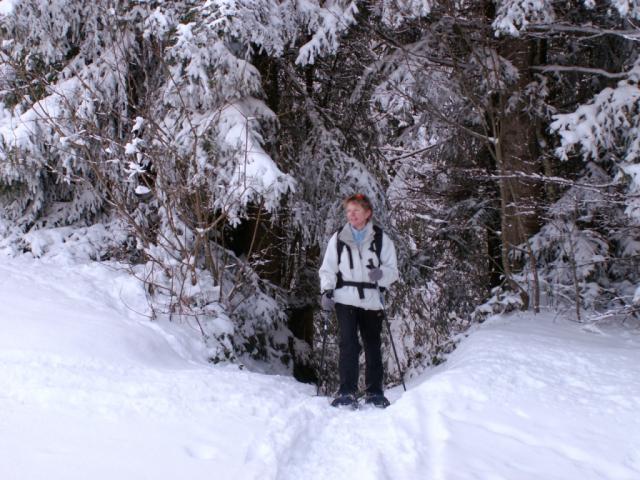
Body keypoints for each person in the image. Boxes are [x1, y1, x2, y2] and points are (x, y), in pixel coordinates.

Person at [319, 193, 399, 408]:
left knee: (372, 344)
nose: (351, 215)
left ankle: (374, 392)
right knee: (348, 344)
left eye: (356, 211)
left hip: (372, 299)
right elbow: (328, 268)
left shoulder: (381, 239)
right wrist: (327, 291)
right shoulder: (338, 238)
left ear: (367, 213)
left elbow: (393, 271)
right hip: (345, 297)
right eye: (348, 211)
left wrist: (378, 275)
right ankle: (346, 392)